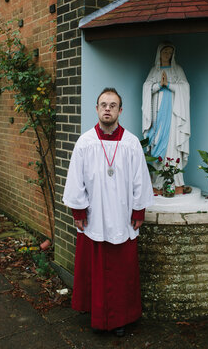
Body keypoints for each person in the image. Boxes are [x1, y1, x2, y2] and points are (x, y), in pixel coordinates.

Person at [63, 88, 153, 337]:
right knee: (97, 269)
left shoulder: (131, 143)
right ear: (96, 108)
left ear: (120, 111)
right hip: (95, 218)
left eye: (113, 105)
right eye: (103, 104)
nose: (107, 109)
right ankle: (97, 313)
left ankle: (121, 318)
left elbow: (140, 181)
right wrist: (78, 211)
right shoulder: (86, 142)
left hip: (123, 218)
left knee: (121, 271)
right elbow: (75, 180)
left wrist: (139, 210)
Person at [142, 42, 190, 194]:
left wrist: (168, 84)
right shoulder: (153, 71)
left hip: (173, 118)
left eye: (170, 52)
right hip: (157, 118)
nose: (167, 55)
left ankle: (176, 183)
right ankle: (157, 183)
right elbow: (146, 88)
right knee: (156, 146)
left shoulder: (178, 70)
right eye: (165, 52)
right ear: (159, 53)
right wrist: (157, 86)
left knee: (172, 147)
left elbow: (185, 88)